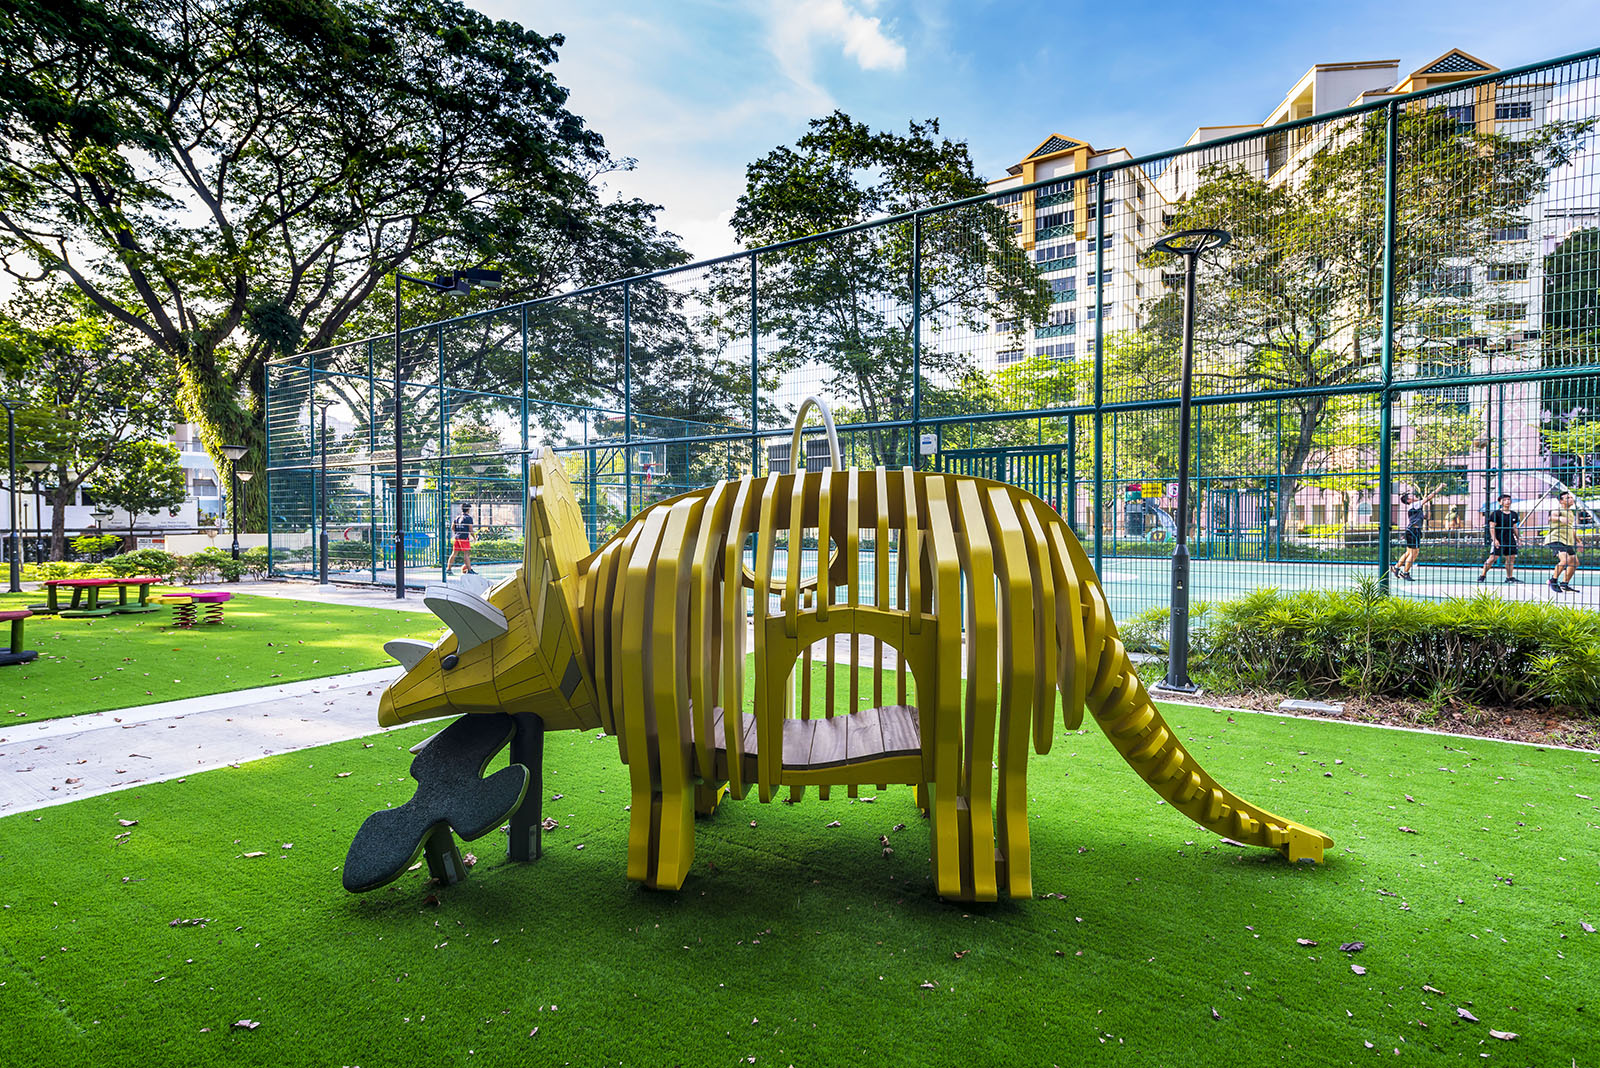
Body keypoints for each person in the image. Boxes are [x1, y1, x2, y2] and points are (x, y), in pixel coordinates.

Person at [1391, 487, 1440, 582]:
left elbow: (1427, 517)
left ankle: (1396, 567)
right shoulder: (1415, 504)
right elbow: (1429, 497)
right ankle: (1405, 573)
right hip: (1414, 531)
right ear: (1409, 500)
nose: (1414, 496)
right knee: (1414, 554)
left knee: (1409, 553)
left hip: (1412, 531)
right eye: (1411, 496)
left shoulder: (1416, 506)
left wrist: (1428, 507)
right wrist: (1439, 487)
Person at [1477, 493, 1522, 584]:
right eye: (1505, 500)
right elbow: (1492, 527)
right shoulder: (1496, 514)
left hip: (1510, 540)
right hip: (1499, 539)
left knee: (1511, 558)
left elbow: (1515, 527)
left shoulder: (1514, 514)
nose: (1507, 501)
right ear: (1500, 502)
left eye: (1509, 500)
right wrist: (1495, 540)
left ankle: (1509, 577)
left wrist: (1518, 539)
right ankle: (1482, 575)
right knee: (1493, 558)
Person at [1545, 490, 1582, 594]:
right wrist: (1559, 518)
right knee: (1565, 559)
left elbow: (1571, 528)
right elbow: (1550, 517)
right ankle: (1553, 580)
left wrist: (1578, 541)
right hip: (1555, 539)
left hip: (1566, 541)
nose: (1571, 499)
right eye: (1567, 498)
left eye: (1571, 497)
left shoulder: (1570, 512)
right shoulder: (1557, 509)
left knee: (1575, 562)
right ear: (1561, 501)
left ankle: (1564, 583)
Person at [446, 501, 476, 576]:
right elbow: (470, 529)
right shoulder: (468, 518)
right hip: (464, 537)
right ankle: (469, 570)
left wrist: (457, 533)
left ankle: (448, 569)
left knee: (454, 553)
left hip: (457, 537)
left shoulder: (457, 517)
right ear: (468, 509)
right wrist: (474, 537)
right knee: (466, 553)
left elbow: (452, 527)